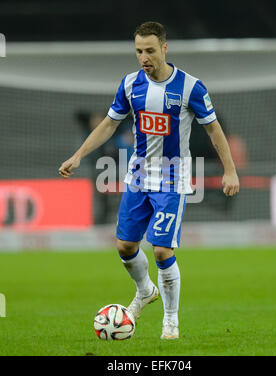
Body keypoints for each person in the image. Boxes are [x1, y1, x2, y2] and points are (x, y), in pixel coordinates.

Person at [59, 21, 240, 339]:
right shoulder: (130, 85)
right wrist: (78, 155)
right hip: (138, 178)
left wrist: (230, 170)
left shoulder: (189, 87)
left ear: (165, 48)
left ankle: (171, 320)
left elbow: (214, 130)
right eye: (139, 51)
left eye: (150, 50)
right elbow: (108, 125)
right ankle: (145, 291)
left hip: (172, 180)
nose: (144, 57)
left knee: (160, 251)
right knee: (125, 245)